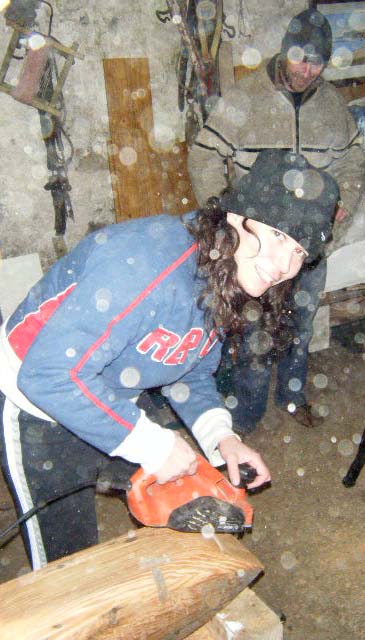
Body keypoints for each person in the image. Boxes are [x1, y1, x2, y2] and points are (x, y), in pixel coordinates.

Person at [0, 150, 337, 569]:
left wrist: (221, 438)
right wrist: (151, 443)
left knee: (188, 491)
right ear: (236, 217)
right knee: (66, 563)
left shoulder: (226, 271)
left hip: (109, 385)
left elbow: (189, 368)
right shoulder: (145, 264)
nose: (285, 265)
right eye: (279, 236)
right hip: (37, 401)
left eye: (300, 252)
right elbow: (48, 375)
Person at [188, 8, 365, 430]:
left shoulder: (333, 107)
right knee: (252, 329)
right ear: (285, 51)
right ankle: (245, 414)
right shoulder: (244, 98)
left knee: (300, 324)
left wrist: (336, 218)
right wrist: (225, 224)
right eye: (301, 58)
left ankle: (291, 395)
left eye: (318, 62)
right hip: (258, 246)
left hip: (307, 247)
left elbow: (353, 164)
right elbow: (204, 155)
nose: (308, 70)